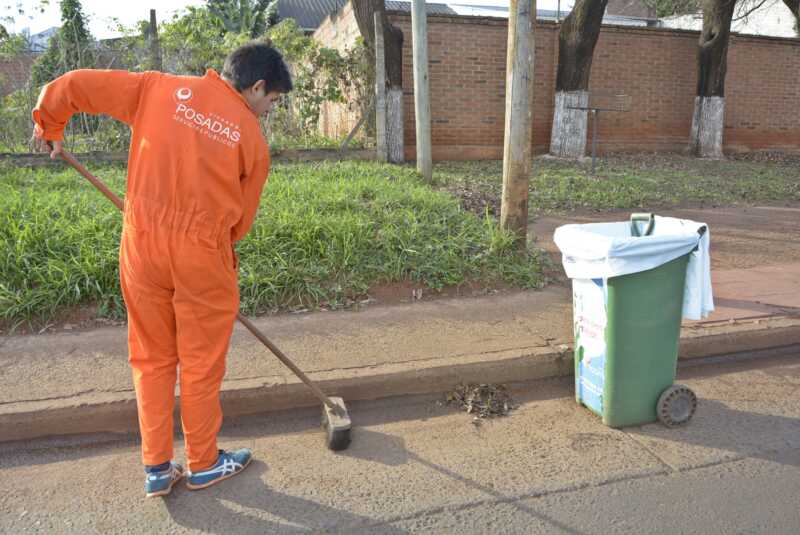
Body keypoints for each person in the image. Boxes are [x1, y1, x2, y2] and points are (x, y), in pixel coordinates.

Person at [31, 42, 292, 497]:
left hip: (142, 246)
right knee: (200, 363)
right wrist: (202, 246)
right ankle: (204, 463)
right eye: (273, 100)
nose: (270, 110)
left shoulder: (158, 88)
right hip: (202, 257)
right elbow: (241, 224)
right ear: (256, 87)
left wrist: (50, 125)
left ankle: (156, 467)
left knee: (151, 358)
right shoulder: (252, 140)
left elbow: (72, 86)